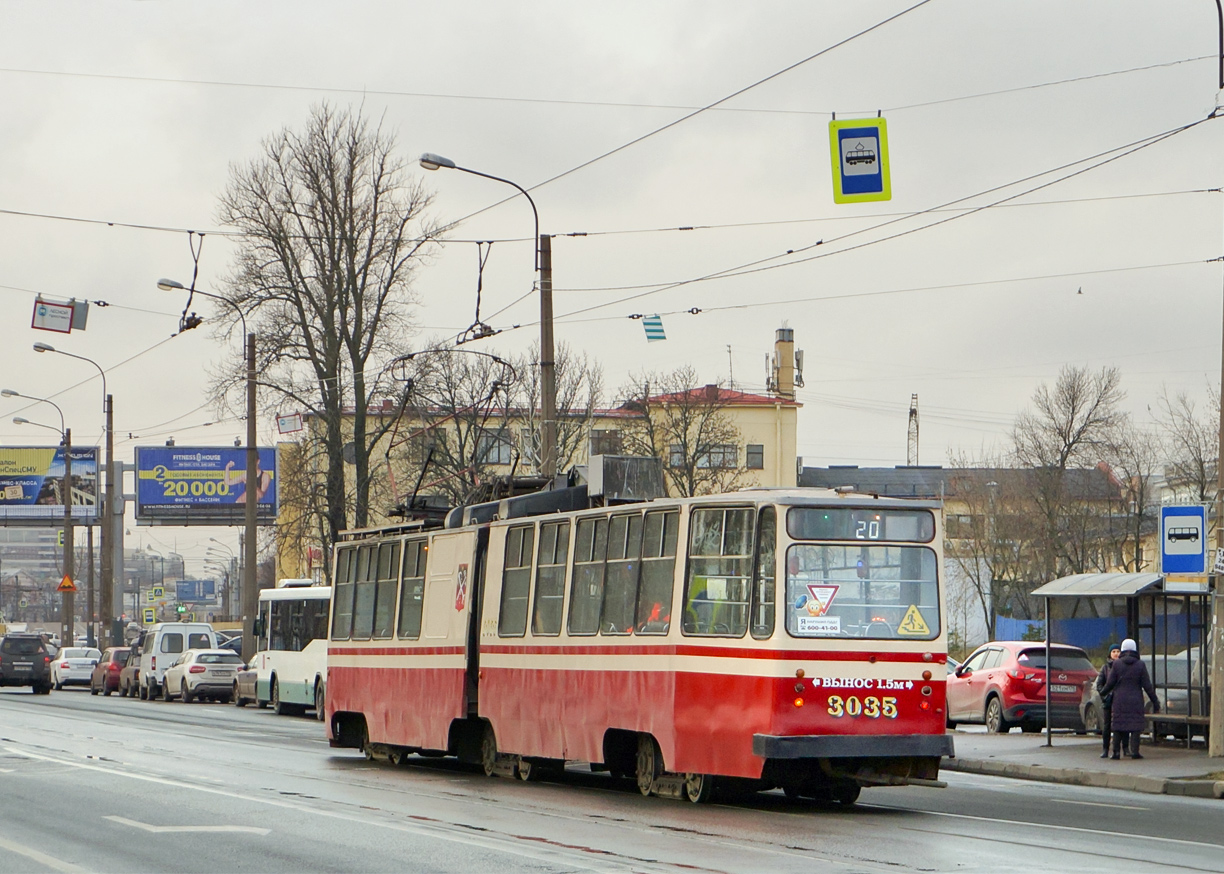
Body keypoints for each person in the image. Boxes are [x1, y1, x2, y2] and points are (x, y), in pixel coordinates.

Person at [1100, 638, 1160, 760]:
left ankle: (1116, 752)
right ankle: (1135, 752)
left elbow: (1110, 683)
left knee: (1118, 726)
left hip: (1119, 700)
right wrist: (1155, 702)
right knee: (1135, 727)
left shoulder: (1116, 664)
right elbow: (1147, 686)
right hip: (1136, 700)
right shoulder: (1140, 665)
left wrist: (1103, 693)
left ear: (1122, 649)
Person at [1095, 643, 1122, 758]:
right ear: (1110, 654)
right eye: (1113, 651)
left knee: (1121, 724)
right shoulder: (1105, 668)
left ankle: (1124, 748)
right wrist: (1104, 695)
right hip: (1108, 701)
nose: (1116, 654)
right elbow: (1099, 684)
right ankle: (1105, 749)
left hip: (1120, 700)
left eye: (1118, 651)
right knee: (1107, 726)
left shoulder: (1123, 666)